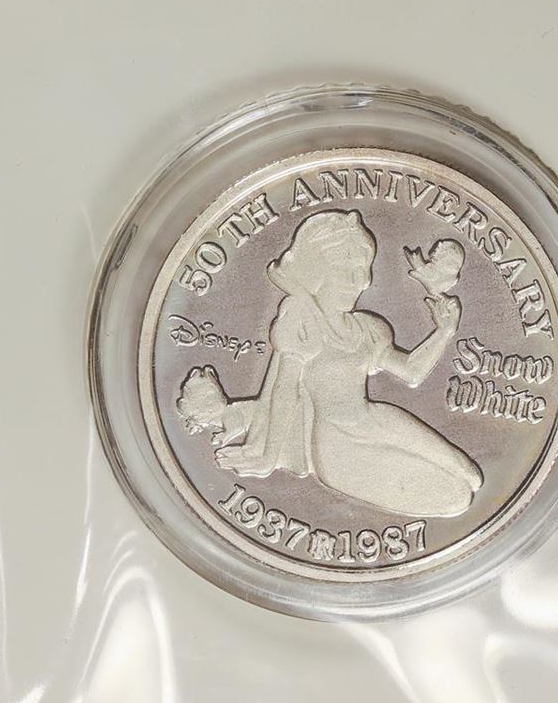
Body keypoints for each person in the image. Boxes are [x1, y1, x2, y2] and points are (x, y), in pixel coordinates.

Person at [196, 209, 483, 519]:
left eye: (362, 268)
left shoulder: (367, 328)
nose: (361, 281)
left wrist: (444, 331)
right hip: (337, 446)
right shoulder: (301, 317)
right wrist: (266, 455)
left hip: (376, 420)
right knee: (456, 498)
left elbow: (411, 371)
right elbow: (284, 390)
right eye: (346, 269)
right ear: (315, 269)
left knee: (471, 475)